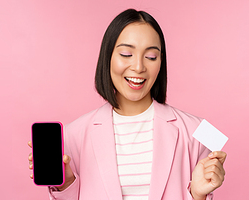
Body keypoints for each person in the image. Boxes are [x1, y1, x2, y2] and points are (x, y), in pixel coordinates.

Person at [28, 8, 226, 200]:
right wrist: (65, 185)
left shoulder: (200, 130)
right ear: (108, 57)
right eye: (126, 54)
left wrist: (198, 196)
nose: (139, 67)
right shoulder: (72, 135)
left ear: (161, 62)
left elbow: (223, 149)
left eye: (151, 57)